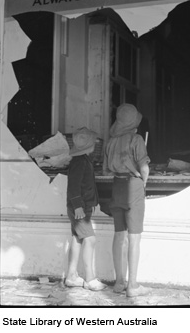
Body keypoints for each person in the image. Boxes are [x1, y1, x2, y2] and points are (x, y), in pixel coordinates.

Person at [103, 104, 151, 297]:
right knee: (134, 237)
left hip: (117, 186)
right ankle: (133, 285)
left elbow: (106, 170)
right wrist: (143, 183)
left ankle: (119, 282)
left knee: (119, 235)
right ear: (134, 123)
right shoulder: (137, 139)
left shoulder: (111, 142)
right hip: (134, 186)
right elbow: (144, 168)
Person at [65, 127, 107, 291]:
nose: (95, 145)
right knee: (90, 239)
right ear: (89, 145)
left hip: (81, 207)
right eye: (94, 142)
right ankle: (90, 279)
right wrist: (78, 207)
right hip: (79, 209)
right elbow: (73, 187)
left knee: (78, 238)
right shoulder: (80, 162)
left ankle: (71, 276)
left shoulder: (82, 159)